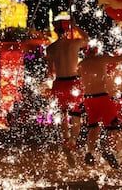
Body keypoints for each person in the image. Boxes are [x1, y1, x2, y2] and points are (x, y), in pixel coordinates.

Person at [78, 43, 122, 168]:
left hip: (88, 99)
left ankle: (90, 152)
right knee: (113, 127)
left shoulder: (81, 64)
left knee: (93, 127)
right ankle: (111, 151)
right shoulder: (102, 58)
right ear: (96, 51)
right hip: (102, 98)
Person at [45, 15, 89, 167]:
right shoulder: (74, 43)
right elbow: (87, 39)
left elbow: (50, 71)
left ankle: (65, 137)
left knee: (63, 112)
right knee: (76, 113)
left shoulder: (50, 48)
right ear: (68, 29)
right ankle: (72, 141)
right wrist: (76, 26)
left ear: (55, 31)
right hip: (73, 82)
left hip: (59, 83)